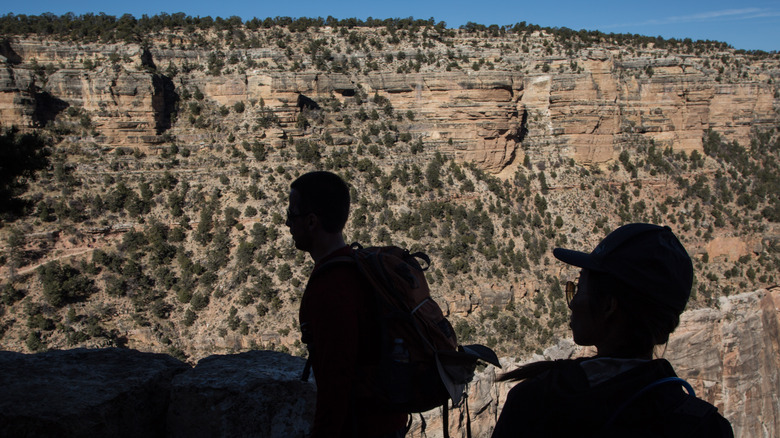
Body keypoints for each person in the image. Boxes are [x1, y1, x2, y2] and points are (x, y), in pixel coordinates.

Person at [492, 223, 733, 437]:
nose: (573, 302)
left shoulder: (535, 404)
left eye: (579, 288)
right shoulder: (706, 426)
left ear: (609, 306)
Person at [288, 171, 408, 438]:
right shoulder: (359, 265)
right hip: (390, 420)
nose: (287, 224)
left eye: (291, 216)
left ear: (311, 221)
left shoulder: (330, 286)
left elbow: (336, 383)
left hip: (362, 427)